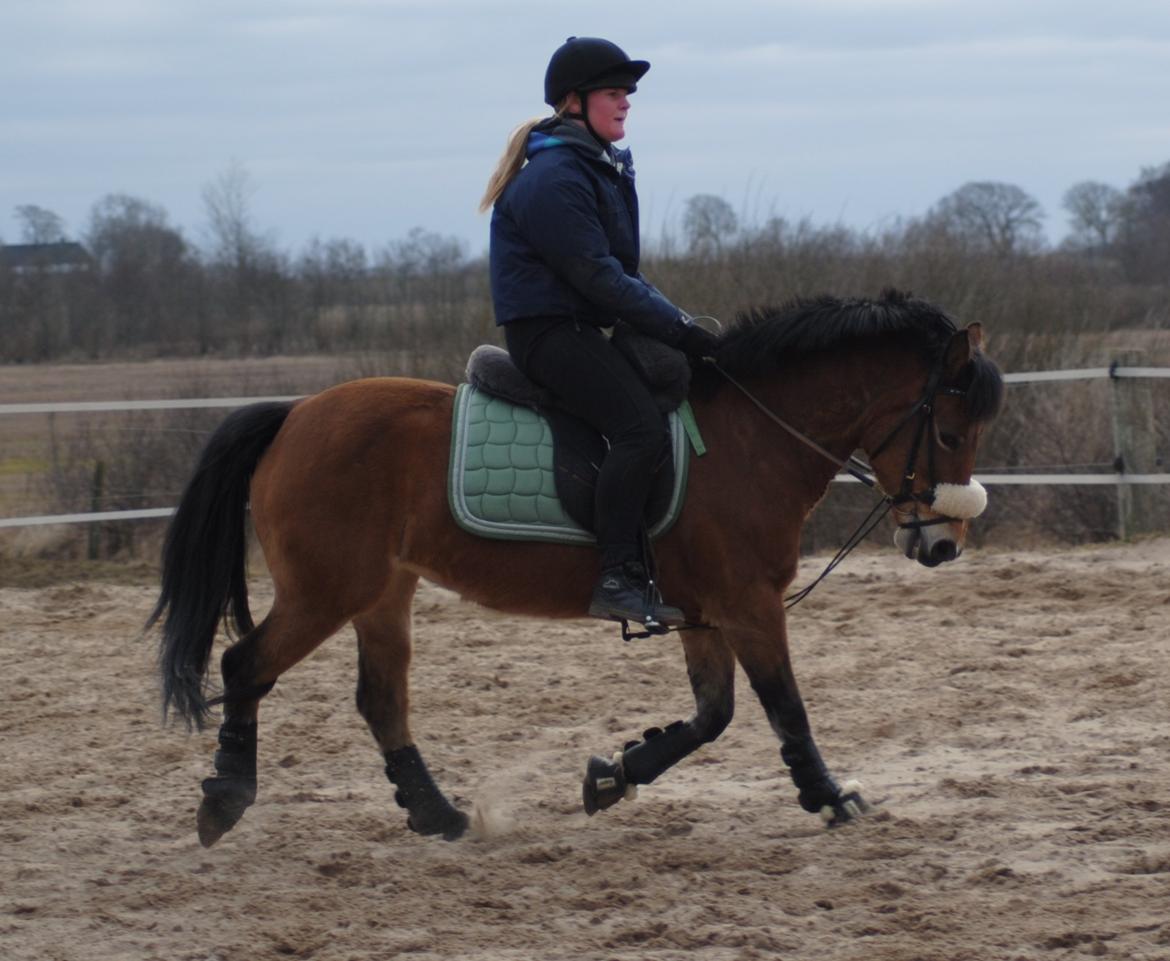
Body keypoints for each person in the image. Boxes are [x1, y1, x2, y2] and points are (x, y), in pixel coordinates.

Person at [480, 36, 719, 629]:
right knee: (638, 429)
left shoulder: (601, 168)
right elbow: (599, 276)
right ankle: (616, 576)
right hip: (550, 336)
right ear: (574, 102)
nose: (626, 104)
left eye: (628, 94)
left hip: (581, 328)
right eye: (614, 93)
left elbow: (625, 276)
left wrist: (682, 329)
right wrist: (682, 328)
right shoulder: (556, 177)